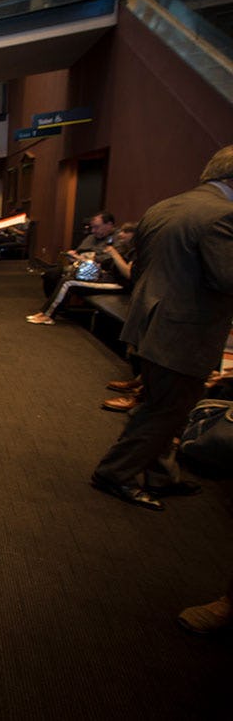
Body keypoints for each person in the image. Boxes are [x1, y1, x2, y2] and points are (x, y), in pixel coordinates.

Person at [90, 145, 233, 510]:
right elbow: (226, 278)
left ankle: (161, 475)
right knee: (167, 407)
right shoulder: (222, 215)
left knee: (165, 403)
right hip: (183, 328)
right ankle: (116, 473)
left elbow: (142, 270)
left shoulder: (165, 207)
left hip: (149, 321)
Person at [26, 221, 134, 325]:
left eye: (125, 232)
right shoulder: (124, 249)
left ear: (134, 235)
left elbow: (128, 274)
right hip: (106, 276)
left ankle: (47, 316)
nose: (120, 234)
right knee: (62, 275)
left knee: (68, 282)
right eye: (121, 231)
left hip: (119, 284)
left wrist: (114, 254)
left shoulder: (135, 252)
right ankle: (45, 312)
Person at [38, 211, 118, 298]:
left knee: (63, 280)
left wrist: (85, 258)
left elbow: (108, 259)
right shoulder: (91, 237)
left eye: (96, 227)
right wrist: (73, 255)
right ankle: (56, 303)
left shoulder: (118, 238)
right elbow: (79, 251)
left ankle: (57, 305)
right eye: (92, 227)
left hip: (98, 272)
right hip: (80, 266)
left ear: (109, 225)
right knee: (50, 274)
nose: (93, 231)